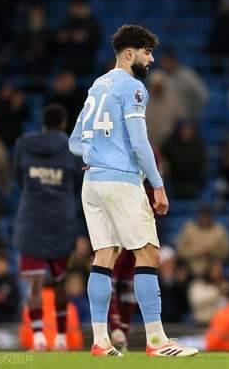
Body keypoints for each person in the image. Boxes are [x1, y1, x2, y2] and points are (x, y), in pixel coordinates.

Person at [68, 24, 197, 357]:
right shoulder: (134, 87)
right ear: (129, 53)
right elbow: (140, 143)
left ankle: (100, 341)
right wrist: (158, 185)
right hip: (122, 181)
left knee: (104, 256)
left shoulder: (97, 86)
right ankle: (157, 341)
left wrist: (93, 156)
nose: (151, 59)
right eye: (147, 52)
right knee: (148, 253)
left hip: (92, 182)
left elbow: (74, 141)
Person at [13, 104, 80, 351]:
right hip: (61, 221)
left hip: (31, 220)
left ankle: (39, 337)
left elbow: (18, 178)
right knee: (60, 282)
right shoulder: (72, 147)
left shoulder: (23, 144)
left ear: (43, 123)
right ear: (63, 123)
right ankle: (61, 338)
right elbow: (78, 185)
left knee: (34, 283)